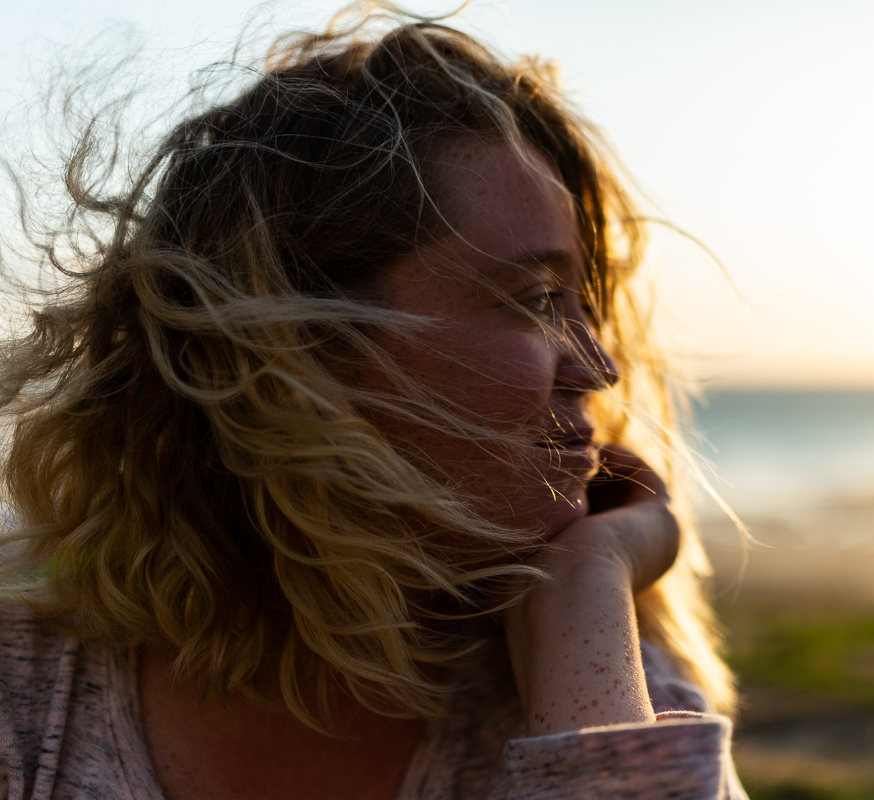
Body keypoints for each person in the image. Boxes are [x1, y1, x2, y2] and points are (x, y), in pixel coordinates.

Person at [0, 4, 744, 798]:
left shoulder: (604, 689)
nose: (598, 368)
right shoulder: (27, 703)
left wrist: (587, 589)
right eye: (532, 299)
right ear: (295, 352)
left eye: (581, 303)